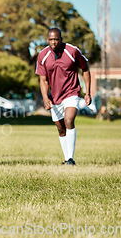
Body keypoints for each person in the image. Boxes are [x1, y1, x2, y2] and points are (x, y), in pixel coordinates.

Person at [36, 28, 91, 166]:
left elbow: (85, 68)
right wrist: (45, 98)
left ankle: (71, 159)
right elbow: (43, 80)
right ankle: (67, 159)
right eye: (50, 39)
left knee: (69, 120)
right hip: (55, 97)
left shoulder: (72, 51)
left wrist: (87, 92)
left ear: (61, 39)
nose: (53, 42)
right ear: (47, 39)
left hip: (71, 92)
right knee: (60, 129)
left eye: (56, 39)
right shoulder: (42, 55)